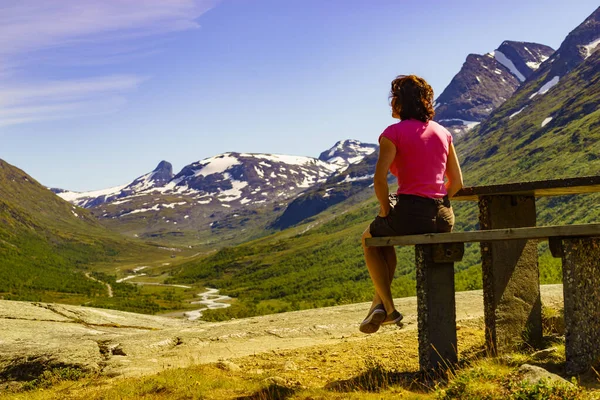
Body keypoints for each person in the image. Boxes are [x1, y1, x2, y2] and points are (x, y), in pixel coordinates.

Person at [359, 75, 463, 334]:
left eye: (393, 99)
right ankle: (378, 304)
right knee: (386, 238)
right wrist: (436, 200)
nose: (391, 104)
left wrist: (385, 209)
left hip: (409, 212)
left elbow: (380, 178)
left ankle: (390, 309)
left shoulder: (392, 134)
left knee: (370, 238)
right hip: (443, 216)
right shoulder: (443, 132)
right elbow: (457, 182)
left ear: (400, 103)